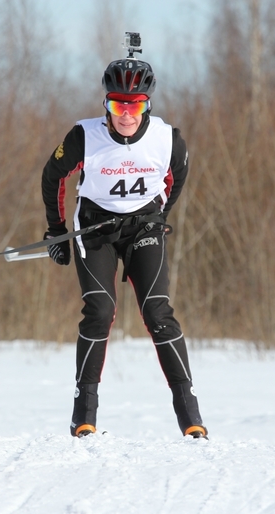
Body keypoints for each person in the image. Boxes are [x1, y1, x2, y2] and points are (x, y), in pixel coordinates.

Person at [40, 43, 208, 439]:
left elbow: (178, 175)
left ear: (147, 105)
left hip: (143, 229)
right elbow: (53, 177)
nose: (127, 116)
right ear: (106, 105)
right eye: (118, 107)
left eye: (134, 107)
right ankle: (84, 416)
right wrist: (55, 231)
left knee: (158, 314)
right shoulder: (85, 136)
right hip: (95, 229)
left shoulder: (169, 140)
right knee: (99, 311)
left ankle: (191, 418)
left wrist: (160, 215)